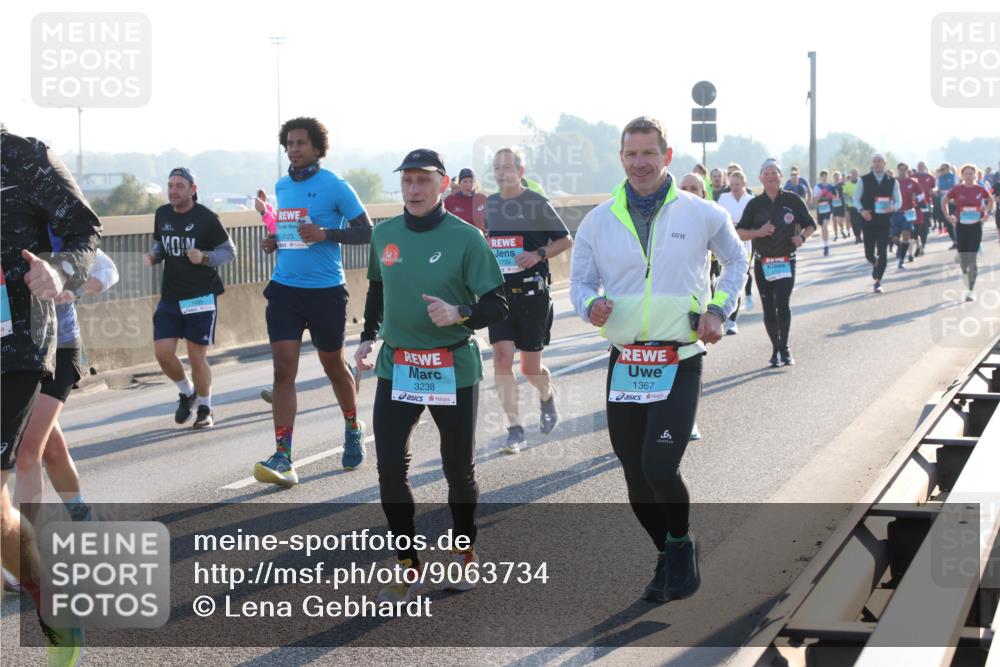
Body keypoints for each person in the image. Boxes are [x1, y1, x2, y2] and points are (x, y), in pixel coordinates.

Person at [570, 116, 748, 603]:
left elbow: (737, 260)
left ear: (666, 156)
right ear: (621, 158)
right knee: (633, 473)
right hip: (626, 360)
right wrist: (590, 305)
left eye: (649, 153)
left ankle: (681, 543)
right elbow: (580, 282)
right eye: (631, 154)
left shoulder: (702, 212)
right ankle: (667, 551)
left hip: (679, 357)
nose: (640, 163)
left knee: (659, 466)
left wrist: (718, 309)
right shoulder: (599, 220)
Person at [355, 148, 507, 602]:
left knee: (457, 469)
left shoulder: (467, 238)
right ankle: (408, 564)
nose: (414, 188)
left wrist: (459, 312)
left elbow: (497, 305)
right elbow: (377, 288)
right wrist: (368, 336)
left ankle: (464, 553)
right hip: (399, 364)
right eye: (407, 180)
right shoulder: (384, 235)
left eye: (423, 180)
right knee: (389, 468)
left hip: (452, 365)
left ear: (443, 184)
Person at [2, 127, 101, 667]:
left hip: (15, 342)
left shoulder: (24, 156)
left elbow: (84, 229)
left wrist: (57, 269)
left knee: (26, 458)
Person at [254, 117, 373, 486]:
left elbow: (367, 231)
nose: (294, 149)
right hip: (285, 289)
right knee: (283, 371)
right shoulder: (282, 185)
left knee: (332, 365)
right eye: (289, 143)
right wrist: (274, 240)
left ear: (318, 147)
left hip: (325, 291)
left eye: (301, 143)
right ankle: (283, 455)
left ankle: (352, 426)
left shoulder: (335, 185)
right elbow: (288, 231)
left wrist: (326, 234)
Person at [14, 246, 117, 522]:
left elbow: (107, 270)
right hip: (12, 356)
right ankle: (84, 516)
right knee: (52, 448)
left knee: (27, 453)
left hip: (58, 350)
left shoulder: (54, 233)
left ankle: (21, 544)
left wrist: (75, 291)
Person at [486, 148, 573, 454]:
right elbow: (492, 241)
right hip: (500, 293)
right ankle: (515, 429)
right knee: (501, 359)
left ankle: (546, 395)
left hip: (532, 293)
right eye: (497, 168)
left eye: (507, 167)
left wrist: (537, 254)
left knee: (530, 369)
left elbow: (565, 239)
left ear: (520, 171)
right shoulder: (491, 204)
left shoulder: (536, 202)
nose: (501, 173)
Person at [144, 167, 236, 429]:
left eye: (179, 186)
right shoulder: (162, 213)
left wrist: (205, 257)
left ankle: (205, 408)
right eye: (170, 185)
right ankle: (187, 392)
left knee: (196, 356)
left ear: (192, 189)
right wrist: (155, 255)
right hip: (171, 295)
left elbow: (229, 252)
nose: (173, 191)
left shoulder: (206, 218)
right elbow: (162, 243)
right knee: (163, 353)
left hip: (200, 296)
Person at [737, 160, 815, 366]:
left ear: (781, 177)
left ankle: (785, 347)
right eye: (766, 173)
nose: (770, 176)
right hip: (763, 262)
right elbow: (740, 232)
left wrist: (802, 237)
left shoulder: (793, 200)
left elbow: (810, 225)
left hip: (786, 261)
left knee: (782, 302)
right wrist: (758, 232)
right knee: (769, 308)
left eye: (774, 172)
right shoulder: (754, 204)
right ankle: (775, 348)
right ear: (760, 178)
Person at [943, 163, 995, 301]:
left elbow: (990, 200)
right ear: (962, 175)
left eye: (971, 173)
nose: (968, 176)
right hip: (961, 226)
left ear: (975, 175)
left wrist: (987, 214)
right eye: (966, 174)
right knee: (964, 261)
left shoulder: (980, 189)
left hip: (976, 226)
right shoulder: (957, 189)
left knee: (972, 258)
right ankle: (965, 271)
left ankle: (971, 290)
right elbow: (945, 201)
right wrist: (947, 216)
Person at [854, 154, 902, 294]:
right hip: (868, 220)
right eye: (874, 161)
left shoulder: (892, 181)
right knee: (869, 254)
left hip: (884, 222)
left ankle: (878, 282)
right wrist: (862, 211)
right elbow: (856, 199)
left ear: (884, 163)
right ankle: (874, 262)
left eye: (879, 161)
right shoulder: (863, 180)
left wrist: (893, 208)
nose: (876, 164)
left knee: (883, 253)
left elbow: (899, 201)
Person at [717, 170, 755, 335]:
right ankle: (721, 313)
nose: (734, 187)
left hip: (745, 244)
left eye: (737, 184)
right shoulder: (724, 199)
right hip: (726, 244)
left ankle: (732, 321)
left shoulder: (750, 200)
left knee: (738, 278)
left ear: (744, 184)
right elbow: (718, 219)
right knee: (723, 279)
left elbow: (755, 222)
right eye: (732, 184)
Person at [892, 163, 924, 268]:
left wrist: (916, 199)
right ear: (897, 170)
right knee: (894, 238)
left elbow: (921, 195)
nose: (902, 171)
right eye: (900, 169)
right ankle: (901, 247)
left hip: (908, 212)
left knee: (906, 234)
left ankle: (901, 260)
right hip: (895, 212)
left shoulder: (913, 182)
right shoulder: (893, 182)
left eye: (904, 169)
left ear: (907, 170)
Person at [443, 167, 488, 234]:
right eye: (465, 181)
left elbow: (491, 222)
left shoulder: (482, 199)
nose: (468, 185)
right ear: (459, 183)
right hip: (458, 238)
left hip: (479, 238)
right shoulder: (449, 201)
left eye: (471, 181)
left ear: (475, 183)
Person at [913, 162, 937, 256]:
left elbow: (934, 188)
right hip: (915, 205)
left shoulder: (930, 177)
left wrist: (933, 192)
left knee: (925, 225)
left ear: (925, 167)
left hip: (926, 203)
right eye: (919, 166)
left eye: (922, 166)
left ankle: (922, 244)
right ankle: (918, 244)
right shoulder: (913, 176)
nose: (920, 168)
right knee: (916, 226)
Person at [813, 170, 835, 256]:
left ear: (827, 176)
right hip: (821, 210)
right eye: (823, 176)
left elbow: (836, 198)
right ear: (821, 177)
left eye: (826, 175)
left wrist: (829, 194)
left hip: (829, 209)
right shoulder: (817, 187)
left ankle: (826, 246)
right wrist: (821, 193)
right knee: (823, 228)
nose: (824, 177)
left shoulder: (831, 187)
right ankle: (825, 244)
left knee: (825, 225)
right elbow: (814, 200)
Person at [843, 168, 863, 244]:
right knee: (854, 222)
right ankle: (857, 236)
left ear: (858, 174)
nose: (854, 175)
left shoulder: (861, 183)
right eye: (852, 174)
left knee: (860, 221)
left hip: (860, 206)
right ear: (850, 175)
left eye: (855, 174)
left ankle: (860, 235)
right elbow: (845, 195)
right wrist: (851, 199)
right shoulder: (847, 185)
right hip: (851, 206)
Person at [830, 171, 849, 241]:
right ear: (833, 178)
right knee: (834, 220)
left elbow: (846, 192)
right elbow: (829, 195)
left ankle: (842, 230)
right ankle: (836, 235)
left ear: (840, 178)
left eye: (838, 177)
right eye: (835, 177)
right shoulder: (831, 186)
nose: (836, 178)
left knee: (840, 221)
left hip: (841, 204)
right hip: (834, 204)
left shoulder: (842, 185)